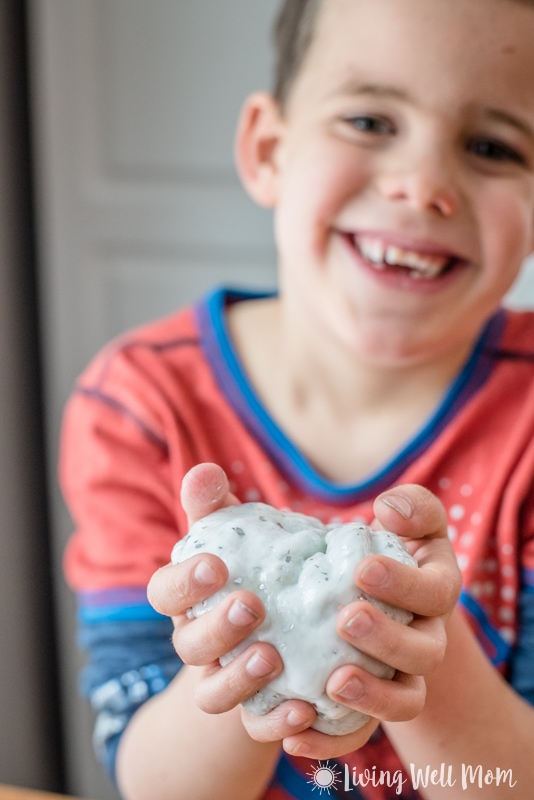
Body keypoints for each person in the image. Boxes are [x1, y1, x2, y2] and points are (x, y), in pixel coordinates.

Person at [59, 0, 534, 797]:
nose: (422, 186)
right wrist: (238, 647)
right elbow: (155, 786)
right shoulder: (140, 406)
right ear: (269, 150)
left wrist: (418, 644)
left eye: (491, 145)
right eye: (369, 121)